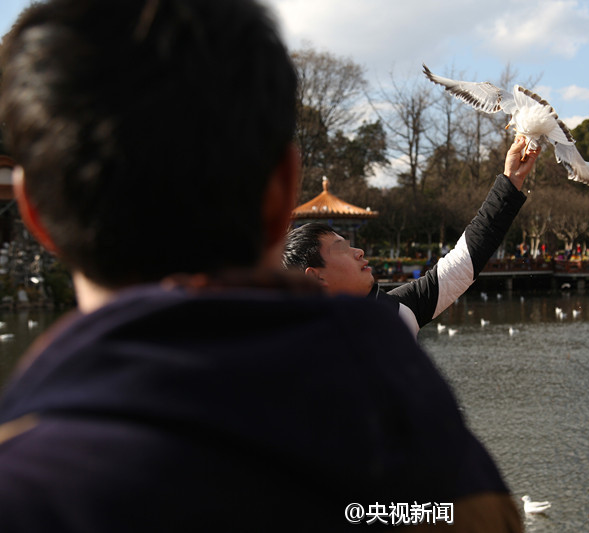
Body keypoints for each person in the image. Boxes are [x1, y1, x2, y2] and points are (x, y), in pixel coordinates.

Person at [0, 0, 522, 531]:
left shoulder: (26, 484)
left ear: (36, 213)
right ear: (281, 196)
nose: (361, 253)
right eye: (343, 246)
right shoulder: (445, 475)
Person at [283, 138, 540, 336]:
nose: (358, 251)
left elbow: (467, 258)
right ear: (316, 277)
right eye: (341, 249)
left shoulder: (398, 311)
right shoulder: (296, 354)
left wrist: (510, 182)